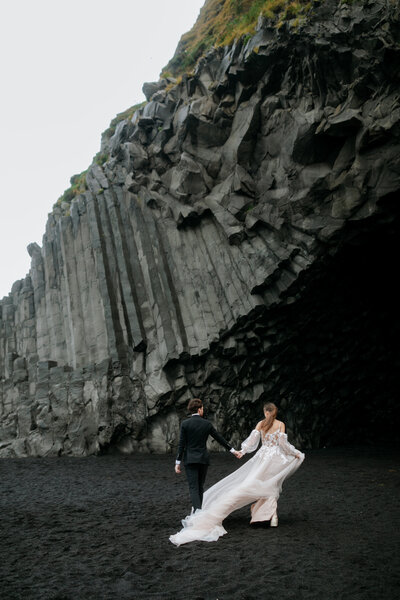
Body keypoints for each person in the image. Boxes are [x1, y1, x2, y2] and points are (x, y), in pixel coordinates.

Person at [170, 402, 304, 546]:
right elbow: (283, 444)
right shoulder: (280, 424)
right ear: (275, 412)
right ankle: (272, 518)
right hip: (276, 459)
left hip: (262, 458)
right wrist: (295, 453)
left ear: (265, 412)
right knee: (271, 485)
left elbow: (252, 441)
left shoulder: (261, 424)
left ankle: (266, 516)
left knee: (253, 485)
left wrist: (242, 451)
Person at [174, 398, 240, 511]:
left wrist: (177, 462)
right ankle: (199, 511)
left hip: (190, 459)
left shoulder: (185, 424)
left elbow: (182, 444)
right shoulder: (207, 424)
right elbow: (220, 439)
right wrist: (233, 451)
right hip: (203, 459)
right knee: (200, 486)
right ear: (199, 410)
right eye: (202, 408)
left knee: (193, 487)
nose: (203, 410)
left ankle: (197, 513)